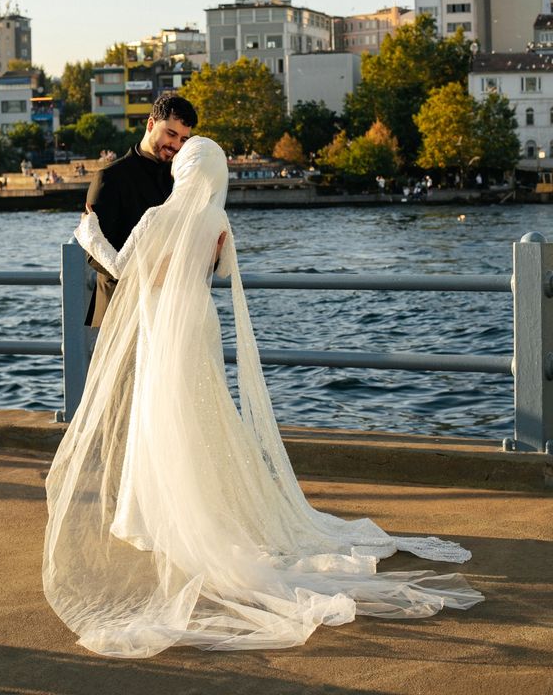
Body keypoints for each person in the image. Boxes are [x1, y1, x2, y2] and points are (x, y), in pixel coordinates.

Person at [43, 136, 483, 659]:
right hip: (199, 324)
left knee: (159, 413)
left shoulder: (159, 218)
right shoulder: (218, 223)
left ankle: (150, 513)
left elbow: (124, 269)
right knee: (201, 412)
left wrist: (87, 232)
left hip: (163, 323)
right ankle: (200, 507)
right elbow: (224, 274)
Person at [83, 93, 198, 328]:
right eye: (171, 134)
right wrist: (154, 274)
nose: (176, 145)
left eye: (184, 139)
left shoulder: (182, 181)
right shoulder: (110, 178)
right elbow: (94, 254)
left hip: (167, 314)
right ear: (151, 124)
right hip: (121, 316)